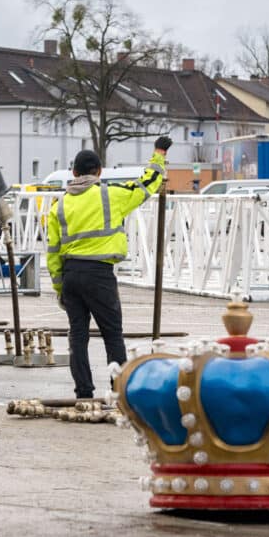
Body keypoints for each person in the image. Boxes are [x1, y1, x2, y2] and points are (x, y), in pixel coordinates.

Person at [47, 137, 172, 399]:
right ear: (99, 172)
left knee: (77, 336)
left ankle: (83, 393)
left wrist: (59, 289)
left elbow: (53, 254)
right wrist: (159, 154)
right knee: (112, 334)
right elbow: (148, 183)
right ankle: (119, 392)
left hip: (71, 276)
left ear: (74, 173)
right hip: (99, 275)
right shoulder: (110, 195)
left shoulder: (59, 206)